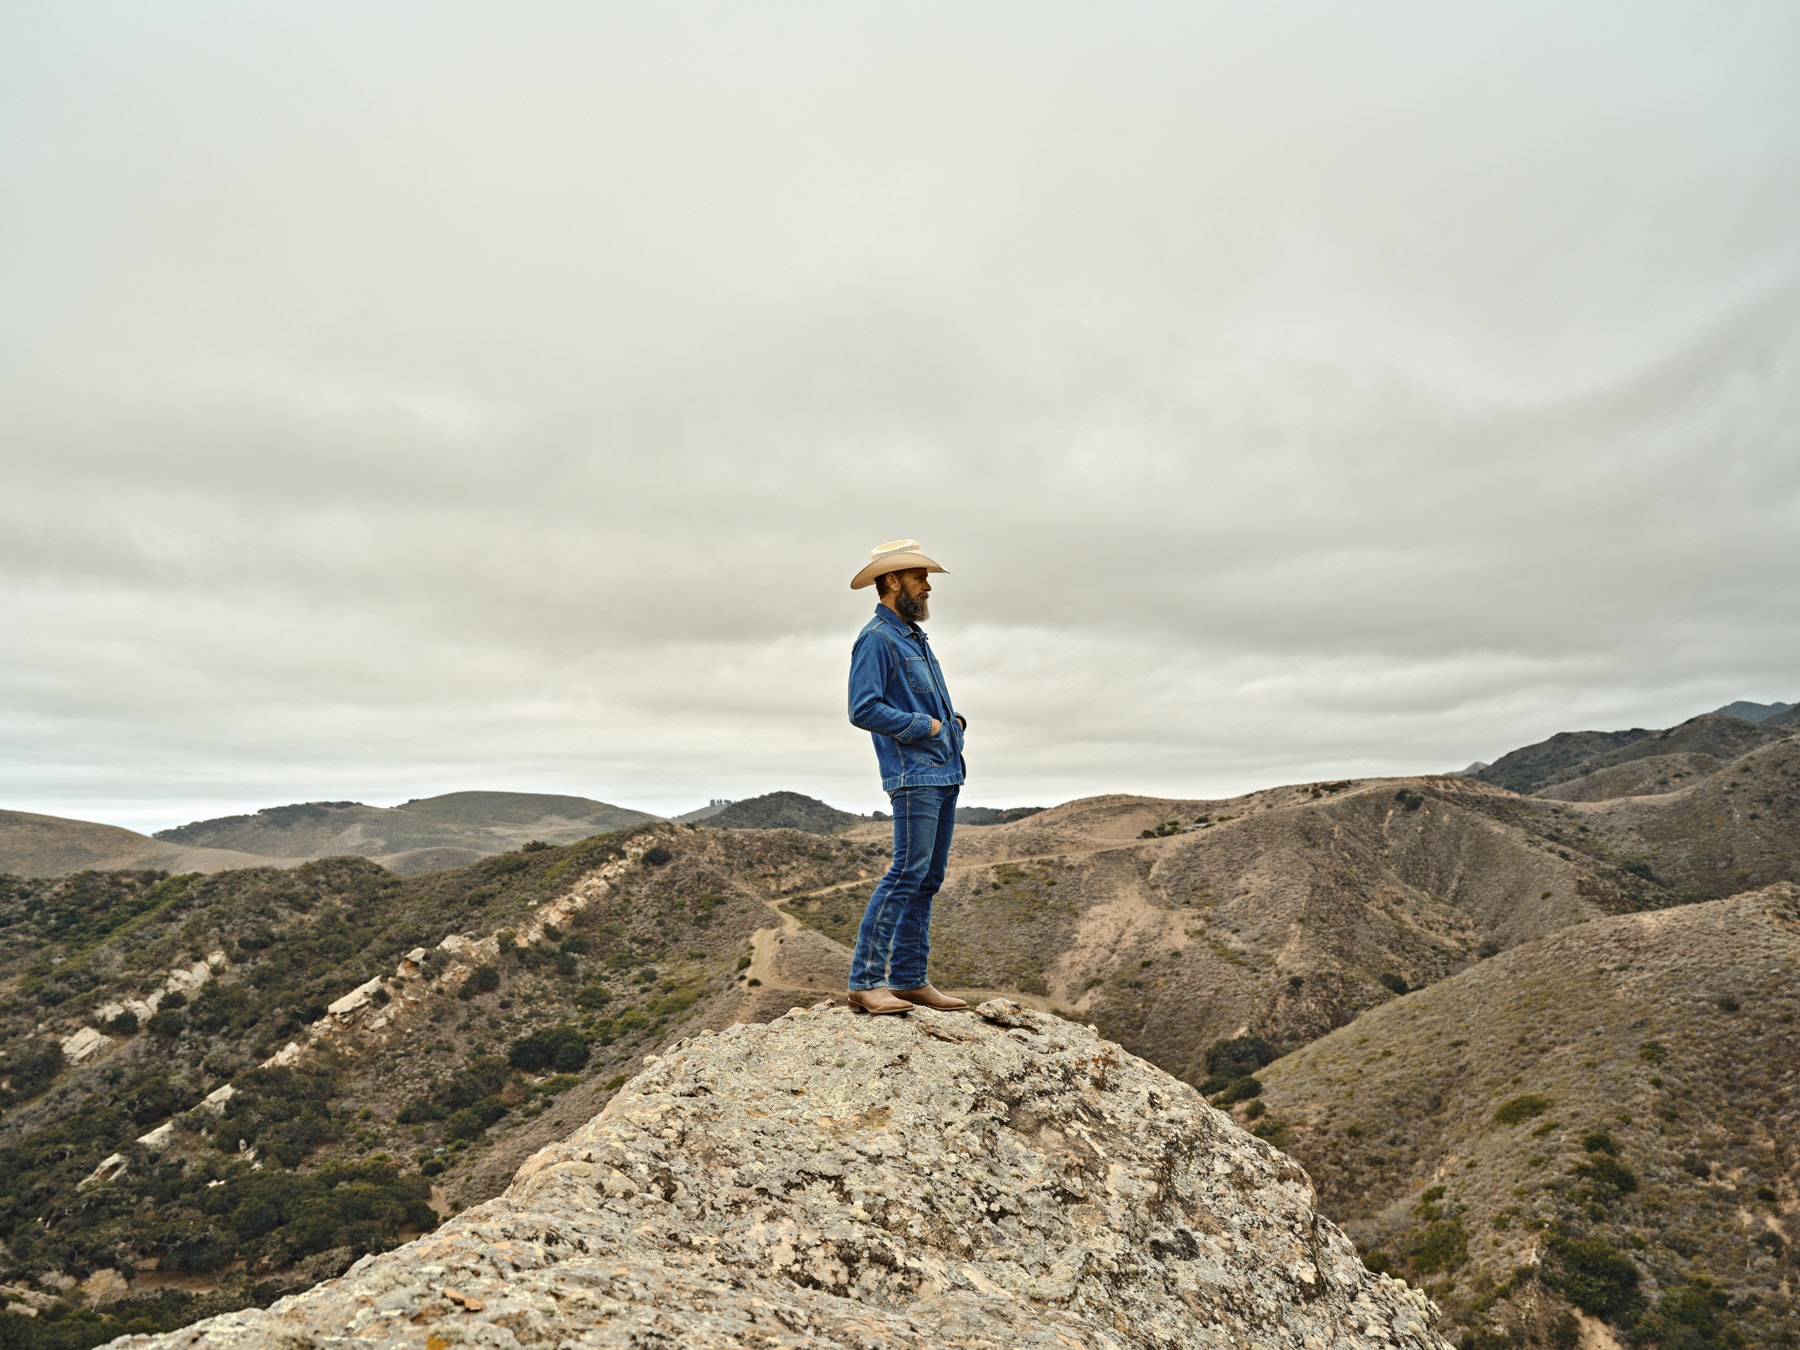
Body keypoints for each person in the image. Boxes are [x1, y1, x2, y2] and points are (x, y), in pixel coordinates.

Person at [844, 539, 971, 1015]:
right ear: (893, 581)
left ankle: (910, 979)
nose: (928, 586)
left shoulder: (913, 638)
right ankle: (865, 981)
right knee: (905, 874)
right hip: (914, 775)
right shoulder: (877, 638)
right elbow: (863, 708)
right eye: (920, 577)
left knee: (928, 878)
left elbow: (921, 699)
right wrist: (929, 727)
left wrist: (952, 722)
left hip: (944, 772)